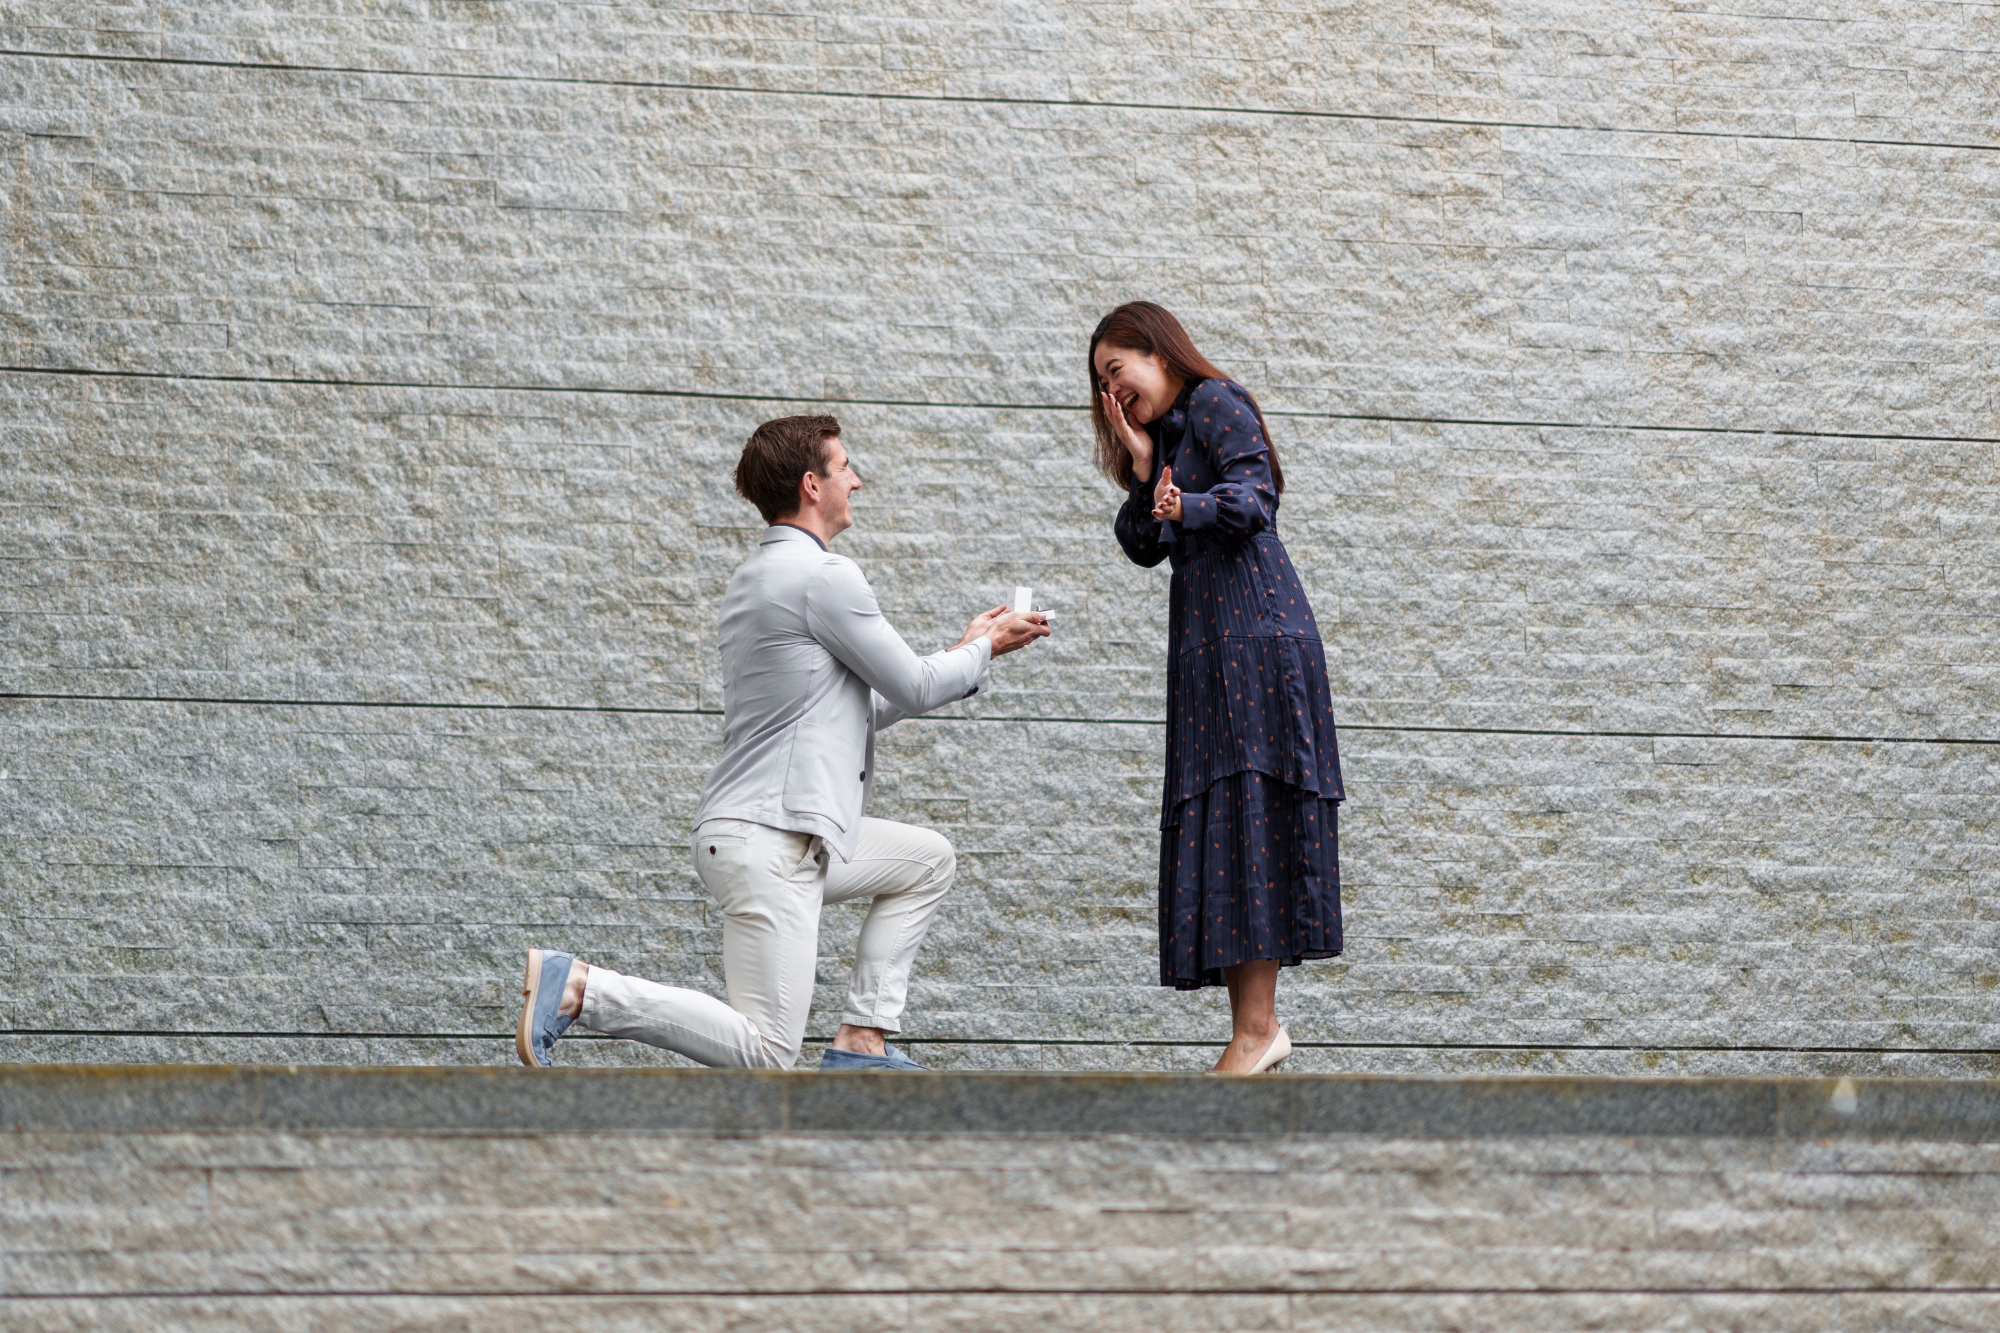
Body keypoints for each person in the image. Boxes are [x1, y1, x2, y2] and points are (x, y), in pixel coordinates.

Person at [516, 414, 1049, 1071]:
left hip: (768, 832)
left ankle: (863, 1040)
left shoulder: (757, 577)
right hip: (774, 839)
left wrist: (966, 653)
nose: (857, 479)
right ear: (811, 484)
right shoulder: (826, 578)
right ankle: (581, 989)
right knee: (768, 1054)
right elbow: (912, 685)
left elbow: (856, 707)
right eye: (845, 466)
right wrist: (984, 648)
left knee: (926, 859)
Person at [1090, 301, 1345, 1075]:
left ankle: (1258, 1030)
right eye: (1102, 382)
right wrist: (1141, 467)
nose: (1113, 390)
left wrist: (1187, 503)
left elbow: (1256, 499)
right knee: (1232, 828)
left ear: (1158, 351)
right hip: (1211, 650)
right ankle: (1255, 1028)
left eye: (1117, 370)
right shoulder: (1164, 437)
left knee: (1252, 816)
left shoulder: (1216, 402)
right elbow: (1140, 544)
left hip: (1258, 639)